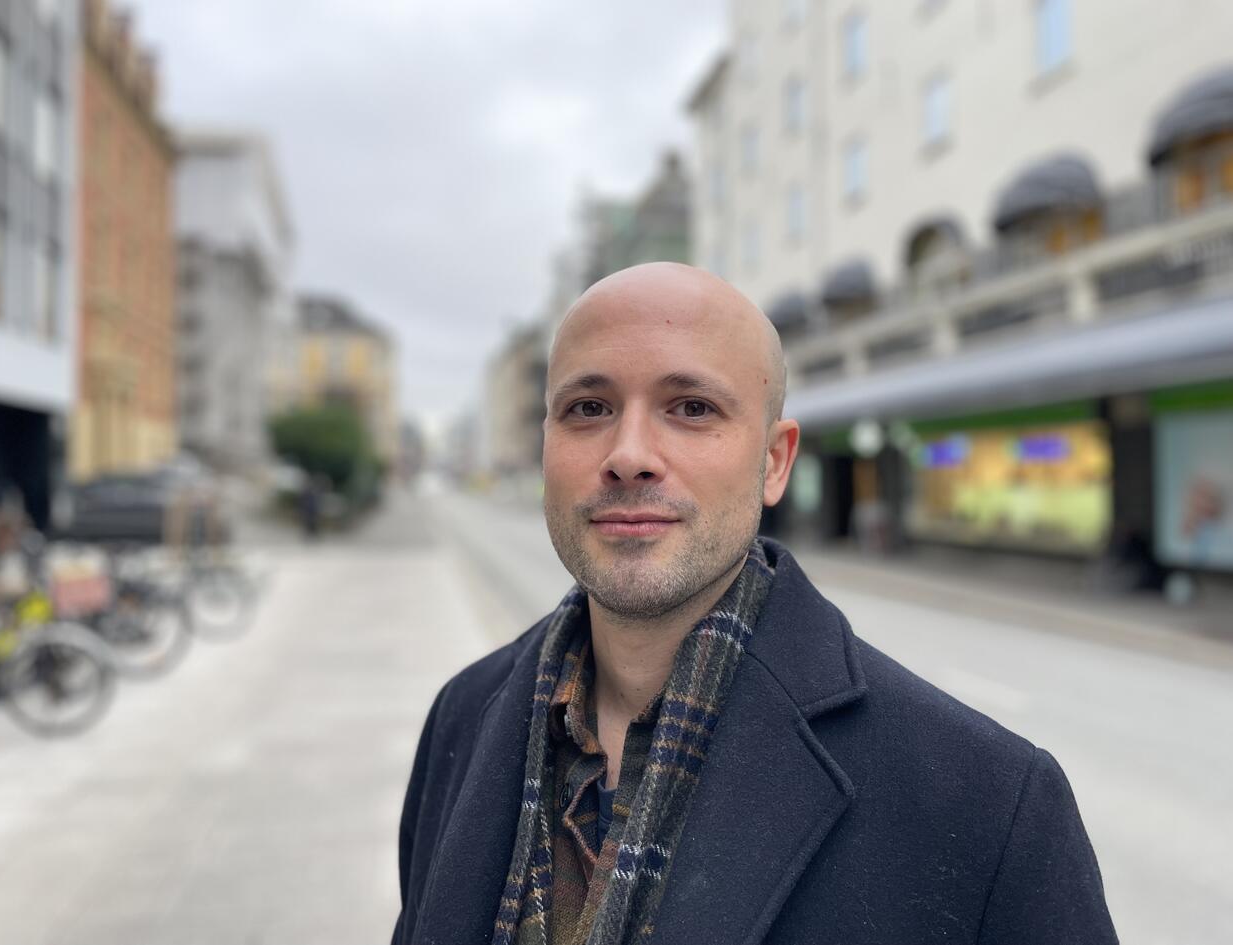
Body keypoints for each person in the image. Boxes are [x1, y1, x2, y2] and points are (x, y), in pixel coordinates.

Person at [391, 263, 1117, 945]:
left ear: (774, 461)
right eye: (588, 407)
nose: (629, 454)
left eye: (692, 407)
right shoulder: (464, 714)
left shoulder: (989, 804)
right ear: (546, 442)